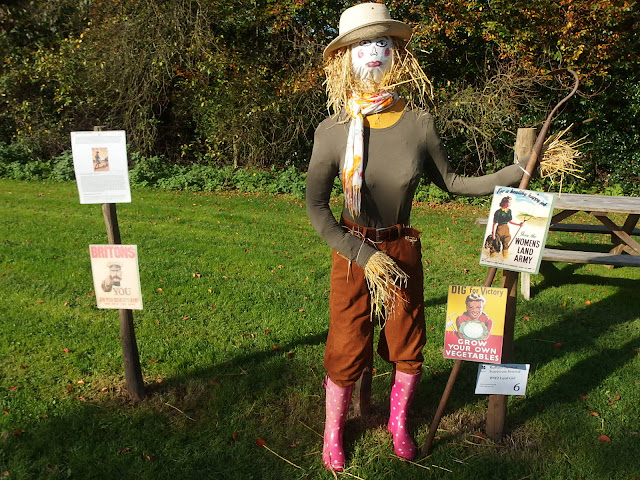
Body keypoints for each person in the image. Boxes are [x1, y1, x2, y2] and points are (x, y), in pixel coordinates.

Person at [305, 2, 528, 471]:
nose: (373, 51)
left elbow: (454, 183)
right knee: (347, 343)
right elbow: (316, 206)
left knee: (407, 340)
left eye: (381, 42)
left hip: (402, 249)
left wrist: (517, 171)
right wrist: (360, 253)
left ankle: (398, 422)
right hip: (353, 254)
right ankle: (333, 431)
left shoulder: (418, 123)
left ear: (395, 54)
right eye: (362, 43)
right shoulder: (332, 132)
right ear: (345, 57)